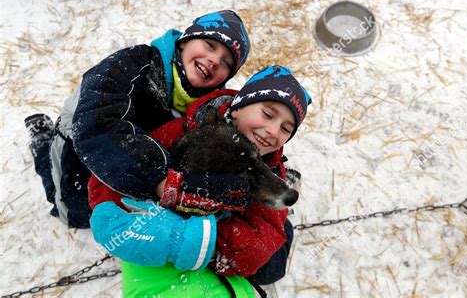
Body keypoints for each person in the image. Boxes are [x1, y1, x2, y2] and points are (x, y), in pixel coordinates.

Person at [88, 65, 312, 297]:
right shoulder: (186, 131)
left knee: (271, 268)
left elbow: (259, 246)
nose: (273, 131)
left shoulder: (272, 164)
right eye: (267, 114)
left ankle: (285, 211)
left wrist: (212, 242)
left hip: (232, 234)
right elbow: (109, 178)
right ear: (237, 109)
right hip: (189, 231)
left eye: (286, 129)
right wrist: (160, 189)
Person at [24, 10, 250, 228]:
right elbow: (98, 128)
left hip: (132, 161)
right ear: (184, 41)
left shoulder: (210, 107)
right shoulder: (132, 64)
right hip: (79, 141)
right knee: (75, 212)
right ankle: (42, 140)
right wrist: (161, 182)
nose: (213, 60)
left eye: (226, 63)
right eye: (210, 45)